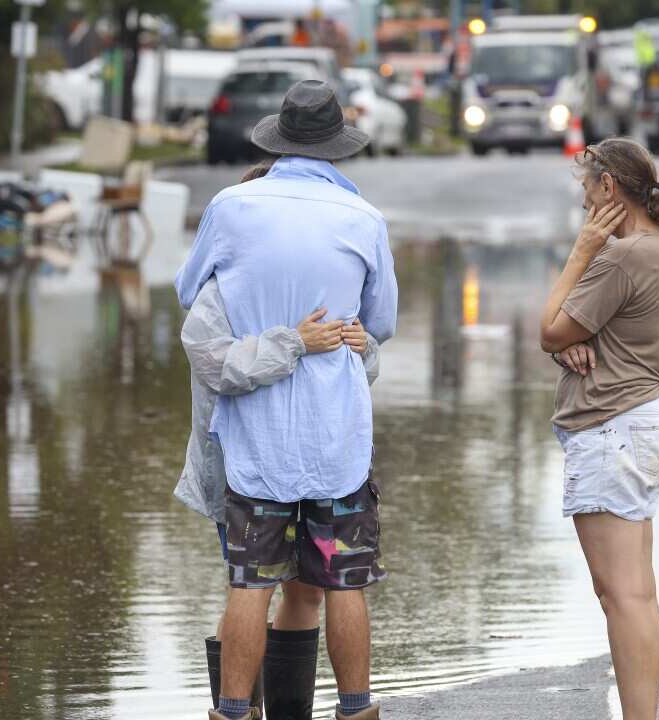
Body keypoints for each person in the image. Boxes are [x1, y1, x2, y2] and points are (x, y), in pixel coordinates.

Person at [176, 80, 398, 720]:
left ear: (279, 139)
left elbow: (191, 290)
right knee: (342, 584)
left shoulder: (230, 206)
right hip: (338, 446)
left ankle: (234, 713)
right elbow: (378, 324)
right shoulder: (364, 219)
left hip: (257, 446)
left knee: (250, 585)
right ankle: (357, 710)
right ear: (337, 145)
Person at [539, 138, 659, 720]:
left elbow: (550, 328)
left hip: (612, 432)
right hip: (639, 425)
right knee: (636, 595)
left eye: (585, 190)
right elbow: (574, 336)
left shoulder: (622, 255)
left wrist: (580, 252)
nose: (582, 204)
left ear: (608, 188)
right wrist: (570, 344)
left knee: (621, 597)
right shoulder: (658, 248)